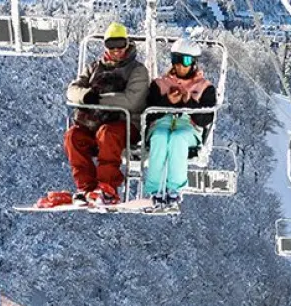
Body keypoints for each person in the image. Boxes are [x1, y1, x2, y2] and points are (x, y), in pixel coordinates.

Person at [47, 22, 149, 207]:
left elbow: (132, 100)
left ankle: (107, 187)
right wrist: (84, 96)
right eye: (112, 45)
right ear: (105, 46)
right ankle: (86, 188)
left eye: (120, 44)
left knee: (108, 133)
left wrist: (97, 99)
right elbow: (72, 90)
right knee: (73, 136)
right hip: (94, 123)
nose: (117, 50)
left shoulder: (137, 70)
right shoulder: (94, 68)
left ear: (127, 43)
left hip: (125, 124)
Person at [143, 37, 216, 209]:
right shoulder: (160, 84)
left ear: (194, 63)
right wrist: (167, 101)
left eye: (186, 60)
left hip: (188, 127)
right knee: (160, 138)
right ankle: (155, 189)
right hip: (162, 122)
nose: (181, 66)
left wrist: (188, 102)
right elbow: (148, 112)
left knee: (178, 138)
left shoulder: (205, 88)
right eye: (176, 60)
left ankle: (174, 189)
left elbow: (206, 119)